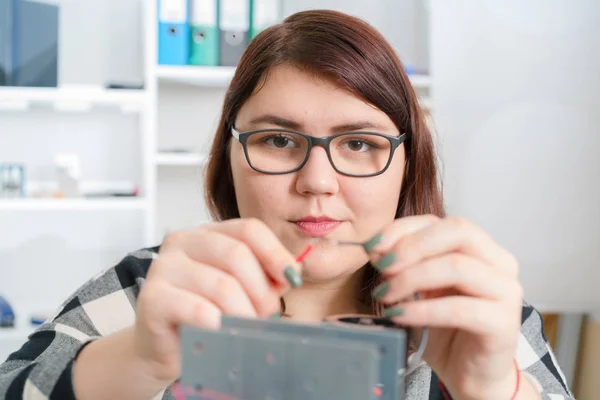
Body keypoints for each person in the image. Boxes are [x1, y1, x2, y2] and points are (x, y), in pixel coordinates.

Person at [0, 9, 573, 400]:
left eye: (358, 143)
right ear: (229, 155)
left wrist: (496, 387)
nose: (318, 181)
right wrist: (138, 360)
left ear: (407, 164)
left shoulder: (465, 303)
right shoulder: (155, 287)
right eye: (278, 140)